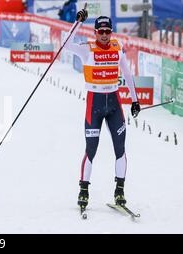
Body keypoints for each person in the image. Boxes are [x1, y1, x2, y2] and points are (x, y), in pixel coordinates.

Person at [64, 10, 141, 210]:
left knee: (120, 149)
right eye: (101, 32)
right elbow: (66, 44)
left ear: (111, 32)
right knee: (91, 149)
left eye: (107, 31)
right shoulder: (86, 49)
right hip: (94, 104)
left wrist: (134, 100)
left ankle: (120, 191)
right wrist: (77, 22)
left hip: (114, 104)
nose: (105, 35)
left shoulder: (117, 47)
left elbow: (127, 73)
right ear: (95, 32)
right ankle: (84, 190)